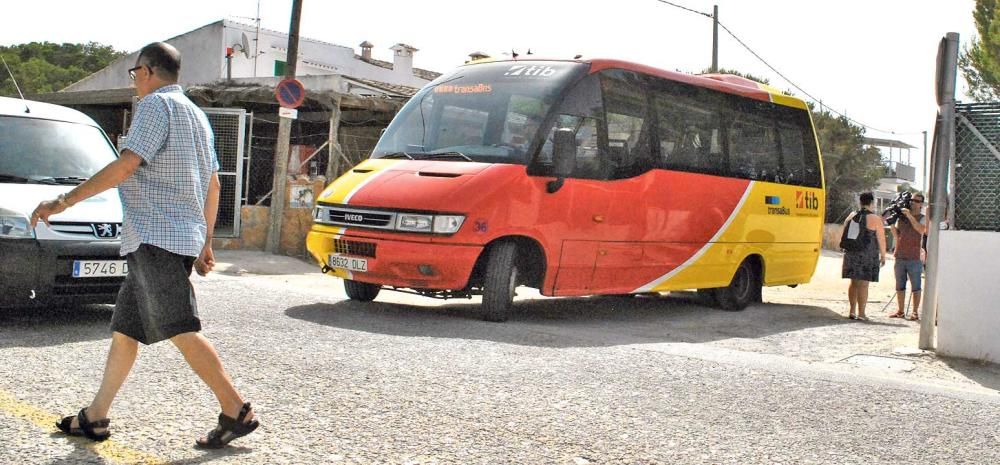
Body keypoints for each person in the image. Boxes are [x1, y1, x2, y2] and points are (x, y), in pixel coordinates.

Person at [29, 42, 258, 448]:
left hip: (156, 238)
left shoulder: (155, 107)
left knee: (181, 327)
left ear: (148, 72)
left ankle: (235, 408)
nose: (134, 82)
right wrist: (205, 241)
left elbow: (126, 164)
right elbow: (214, 183)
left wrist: (62, 201)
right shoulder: (196, 115)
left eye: (135, 73)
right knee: (125, 331)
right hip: (171, 238)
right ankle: (96, 417)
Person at [841, 192, 887, 321]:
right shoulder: (875, 219)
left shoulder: (852, 215)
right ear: (872, 203)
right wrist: (883, 255)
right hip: (867, 254)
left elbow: (845, 230)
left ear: (860, 202)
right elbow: (881, 239)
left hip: (851, 253)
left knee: (853, 283)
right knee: (864, 284)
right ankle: (861, 313)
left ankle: (852, 311)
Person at [889, 193, 927, 321]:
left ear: (921, 204)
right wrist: (892, 225)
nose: (913, 203)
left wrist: (910, 216)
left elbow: (921, 230)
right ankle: (900, 310)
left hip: (914, 256)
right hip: (900, 255)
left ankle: (915, 312)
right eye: (912, 200)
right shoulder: (902, 218)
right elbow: (897, 235)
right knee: (900, 285)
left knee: (916, 286)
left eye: (917, 201)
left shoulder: (922, 218)